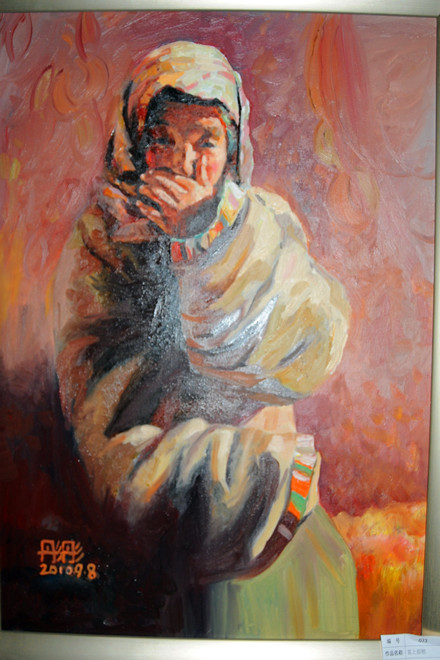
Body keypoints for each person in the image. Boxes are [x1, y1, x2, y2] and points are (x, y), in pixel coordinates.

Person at [54, 41, 358, 638]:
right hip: (192, 531)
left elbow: (312, 346)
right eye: (163, 140)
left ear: (232, 151)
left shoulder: (261, 222)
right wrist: (264, 479)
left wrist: (208, 243)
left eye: (206, 142)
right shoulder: (103, 243)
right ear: (134, 146)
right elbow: (106, 435)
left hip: (291, 525)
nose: (183, 163)